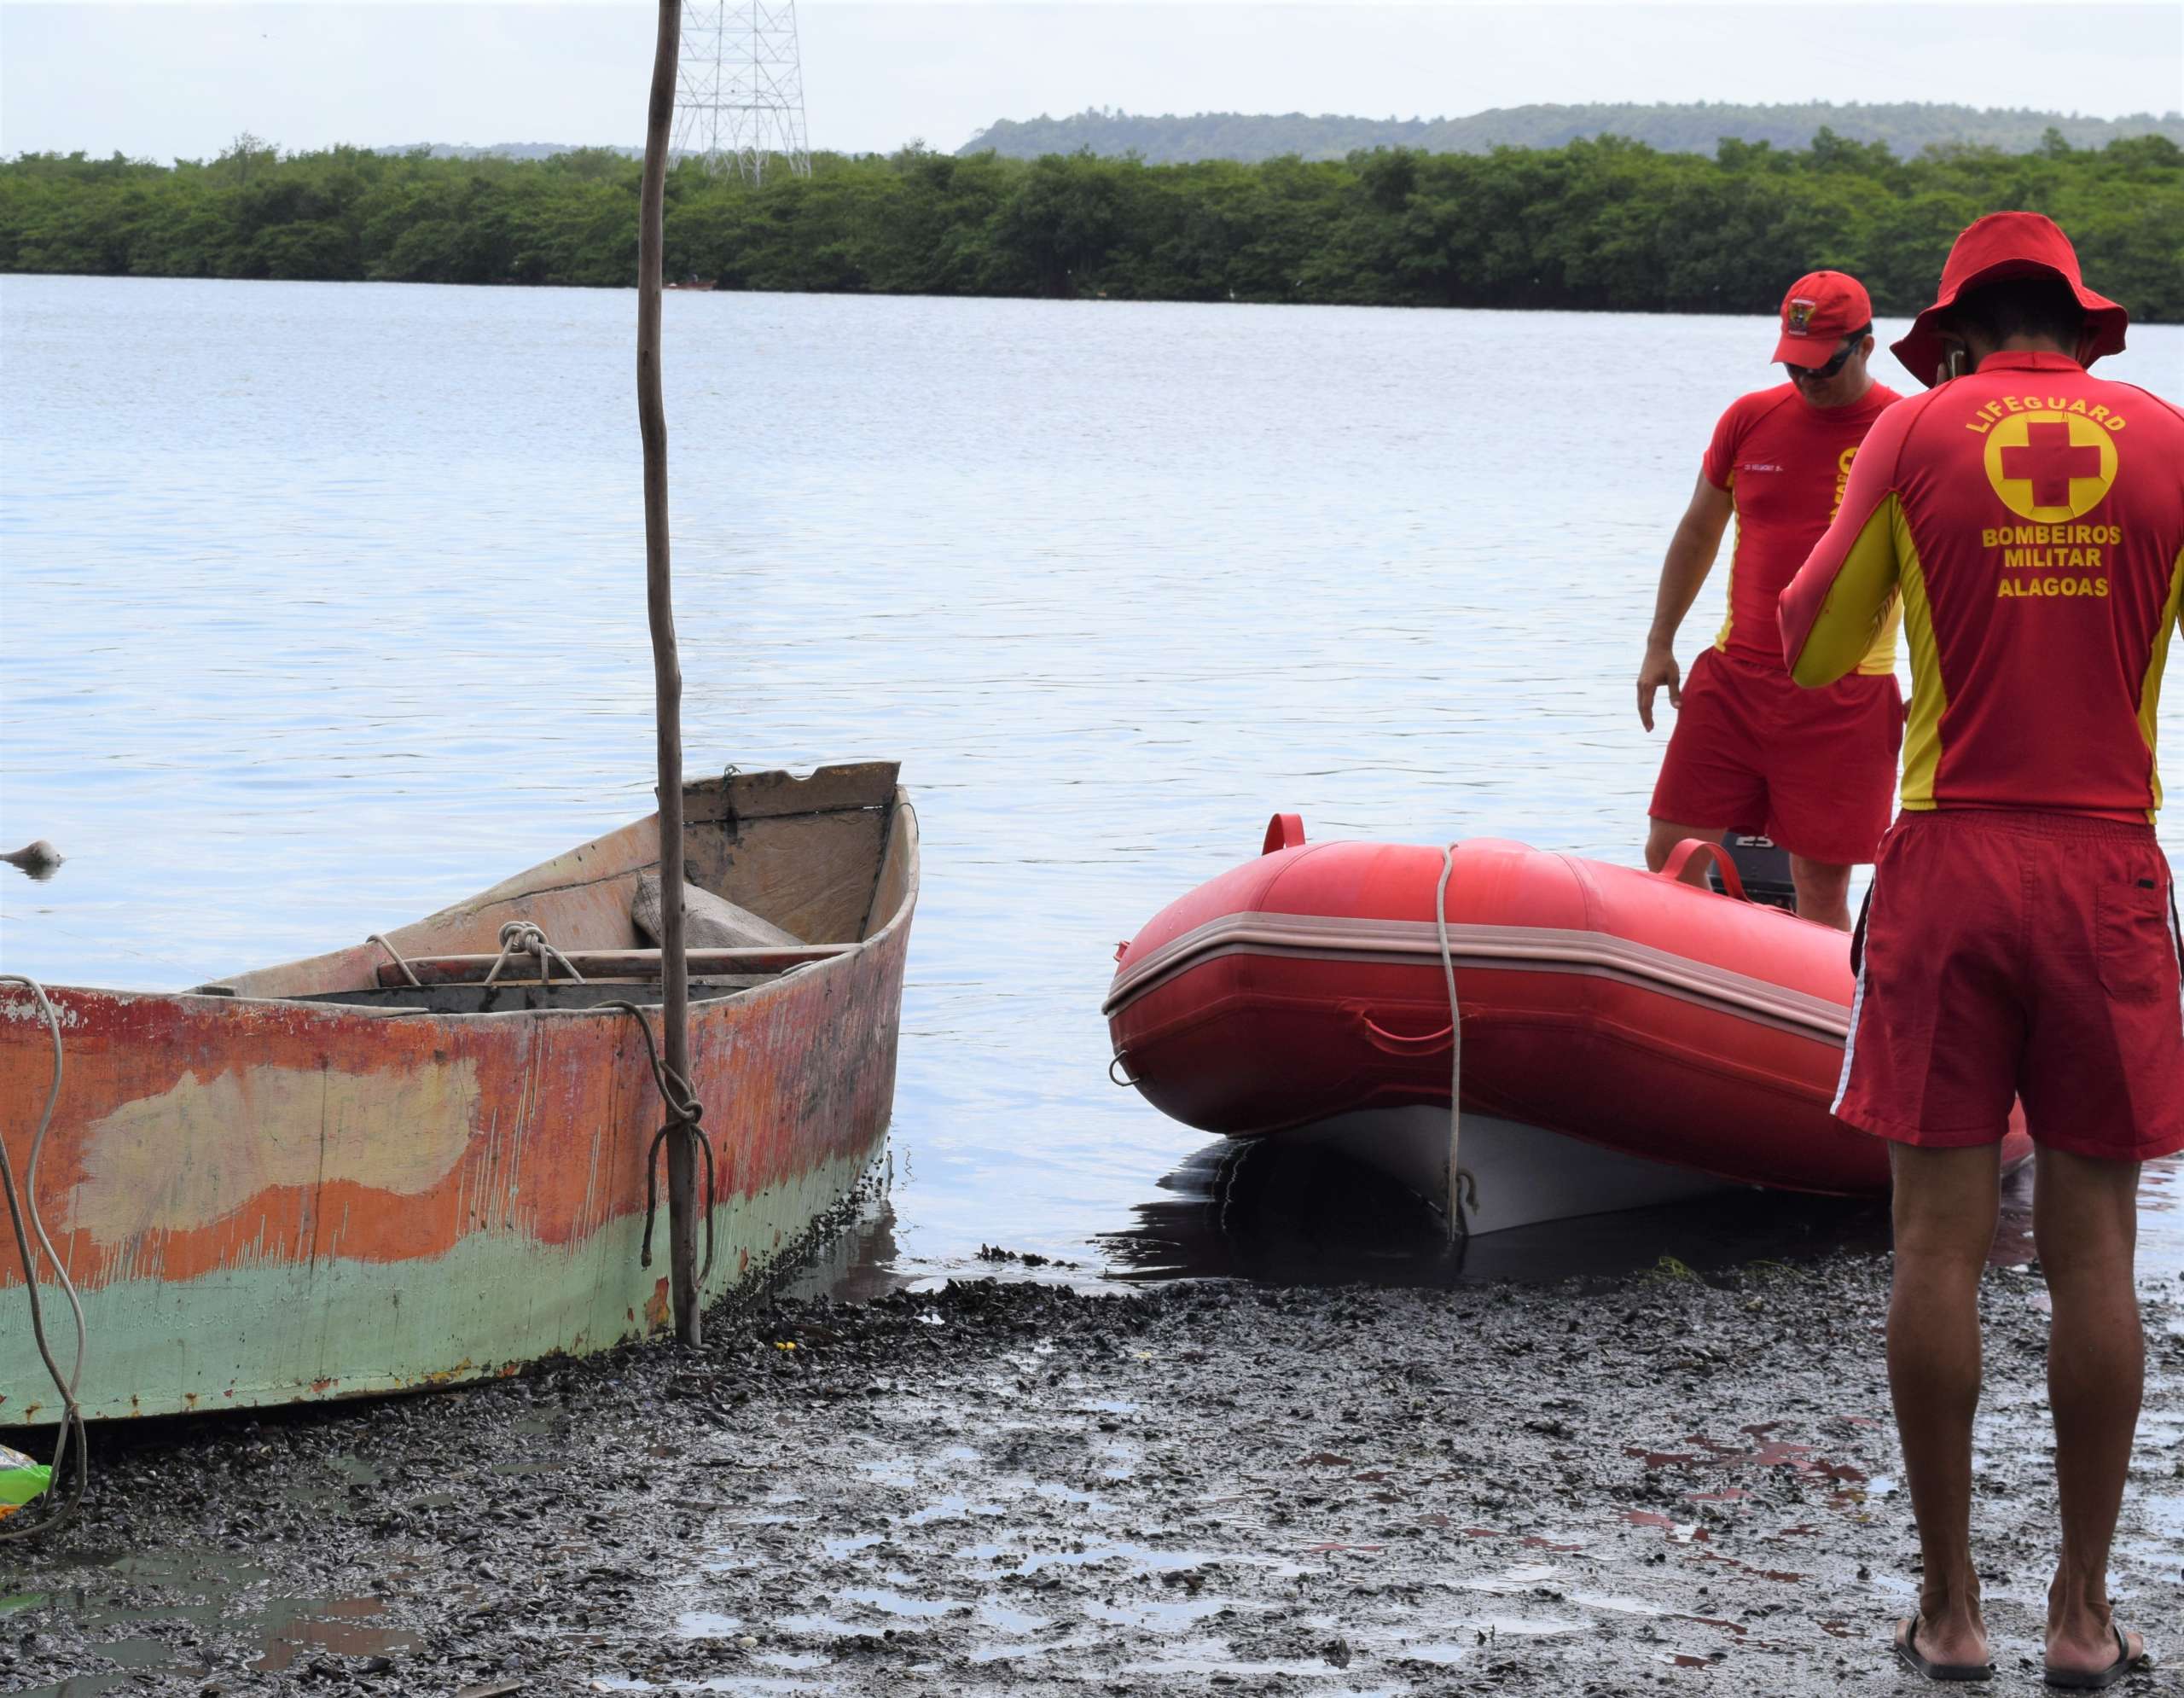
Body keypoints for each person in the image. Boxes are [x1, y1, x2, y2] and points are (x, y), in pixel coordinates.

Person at [1779, 212, 2181, 1689]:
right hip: (2106, 865)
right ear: (2084, 330)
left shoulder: (1916, 432)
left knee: (1936, 1245)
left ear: (1953, 337)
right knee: (2097, 1258)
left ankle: (1951, 1613)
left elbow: (1812, 641)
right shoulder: (2168, 438)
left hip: (1948, 858)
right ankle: (2081, 1618)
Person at [1638, 270, 1907, 930]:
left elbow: (1938, 571)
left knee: (1817, 884)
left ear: (1866, 347)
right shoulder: (1748, 418)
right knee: (1668, 852)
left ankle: (1823, 1027)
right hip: (1735, 679)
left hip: (1844, 693)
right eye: (1795, 366)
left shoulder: (1904, 430)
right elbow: (1700, 529)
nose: (1807, 382)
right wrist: (1659, 643)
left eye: (1823, 366)